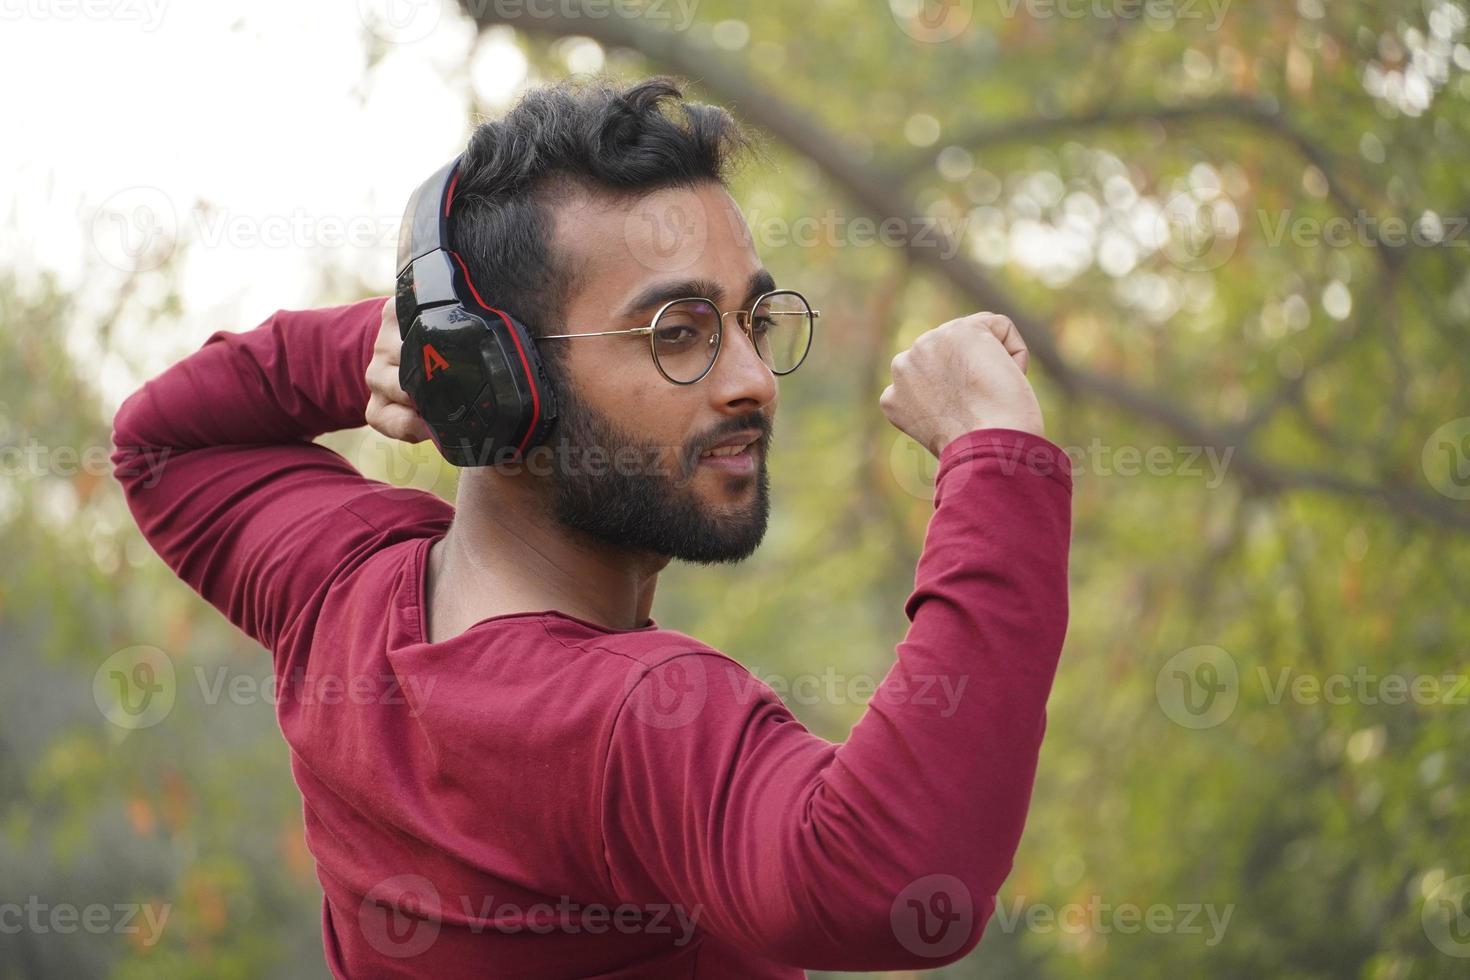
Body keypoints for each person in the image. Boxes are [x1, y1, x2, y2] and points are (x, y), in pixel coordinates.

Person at [111, 76, 1073, 978]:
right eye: (678, 332)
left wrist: (396, 343)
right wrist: (995, 462)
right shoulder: (626, 723)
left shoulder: (341, 591)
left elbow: (165, 442)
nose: (749, 379)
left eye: (753, 321)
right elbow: (892, 882)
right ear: (505, 375)